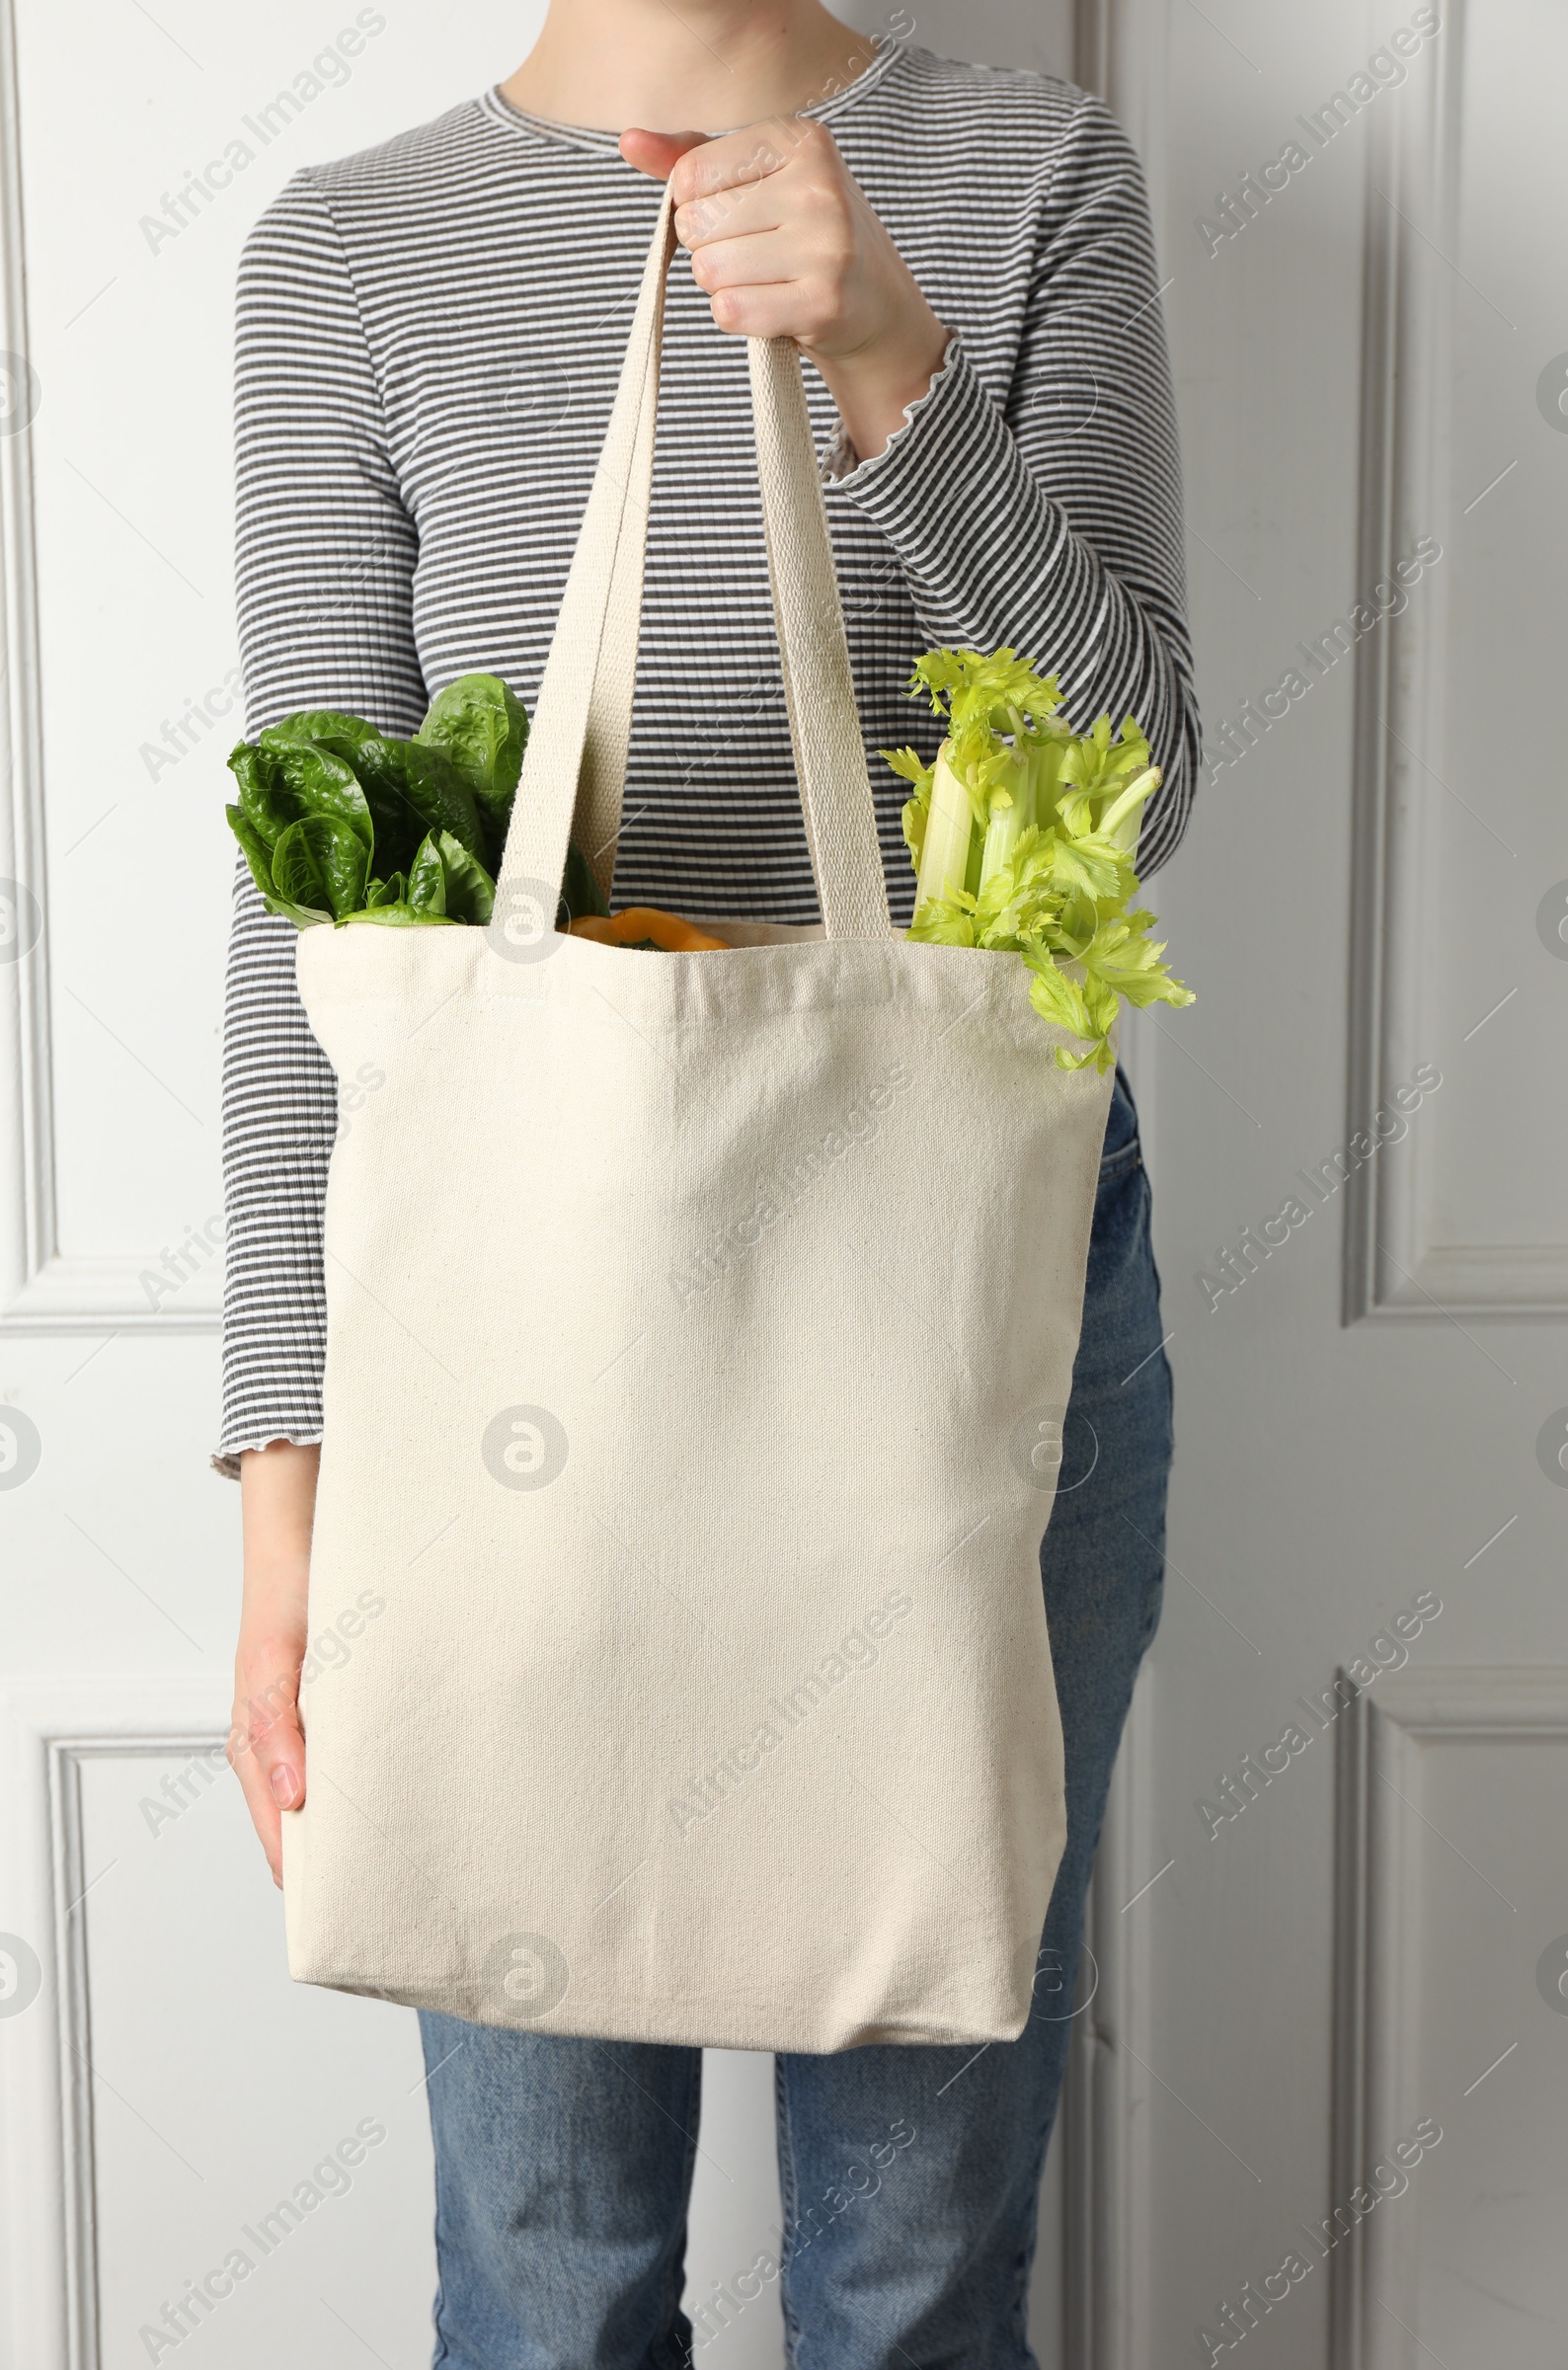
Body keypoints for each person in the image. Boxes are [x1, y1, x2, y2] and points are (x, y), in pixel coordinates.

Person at [221, 0, 1197, 2356]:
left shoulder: (1028, 174)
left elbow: (1135, 801)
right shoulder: (348, 248)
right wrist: (283, 1506)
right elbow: (308, 939)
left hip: (949, 1308)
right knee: (546, 2290)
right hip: (509, 1362)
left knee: (912, 2280)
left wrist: (887, 364)